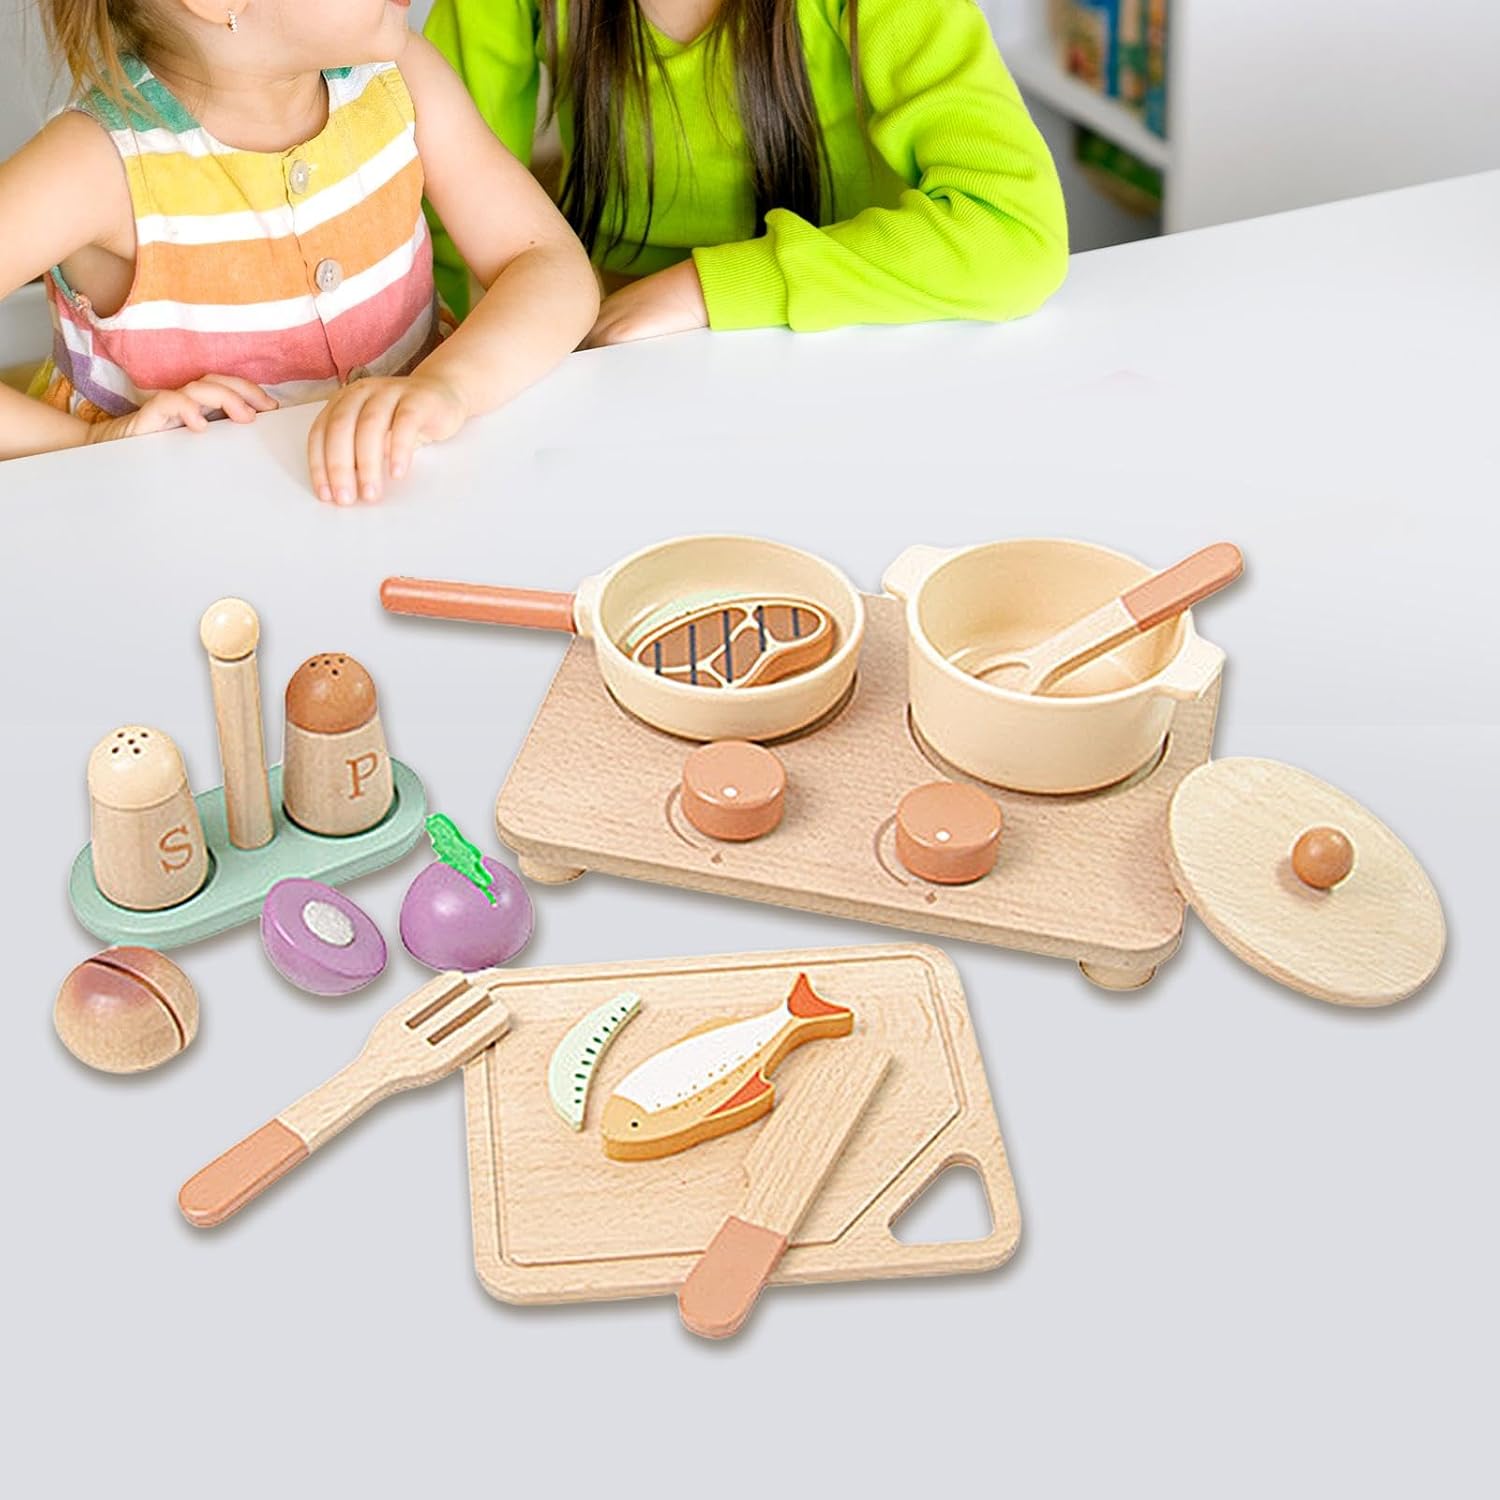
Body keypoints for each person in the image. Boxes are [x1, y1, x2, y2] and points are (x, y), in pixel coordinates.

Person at [0, 0, 598, 501]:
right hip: (183, 530)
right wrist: (90, 444)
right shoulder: (95, 163)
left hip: (399, 492)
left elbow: (549, 263)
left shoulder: (400, 76)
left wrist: (450, 384)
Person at [425, 0, 1068, 347]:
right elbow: (435, 213)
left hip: (845, 332)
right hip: (621, 350)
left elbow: (1014, 236)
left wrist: (701, 289)